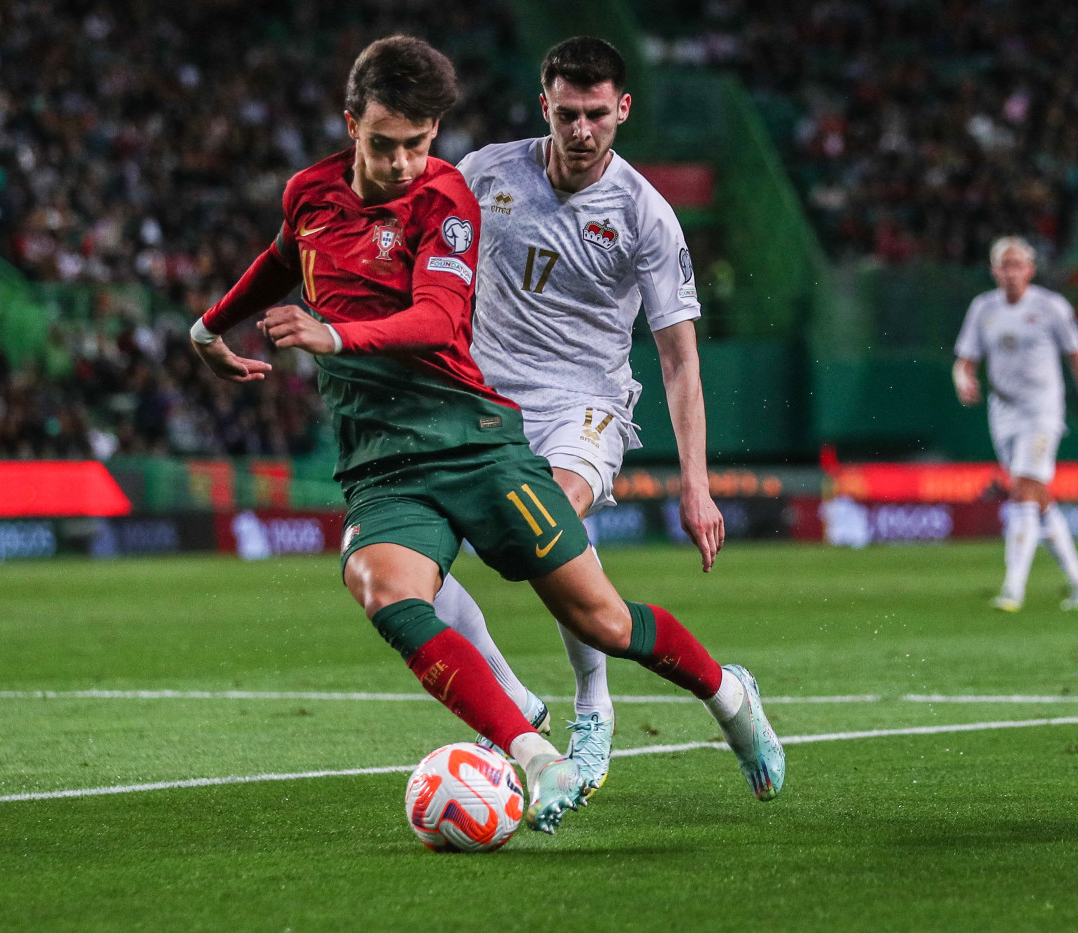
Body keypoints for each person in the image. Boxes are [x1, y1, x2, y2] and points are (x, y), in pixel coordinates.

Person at [190, 35, 783, 833]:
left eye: (419, 145)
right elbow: (281, 254)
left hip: (492, 424)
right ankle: (528, 742)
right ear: (350, 125)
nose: (403, 163)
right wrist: (208, 324)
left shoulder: (459, 195)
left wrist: (333, 337)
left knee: (601, 616)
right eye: (384, 143)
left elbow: (438, 315)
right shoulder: (340, 188)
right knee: (383, 587)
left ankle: (721, 693)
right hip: (391, 446)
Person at [435, 36, 725, 793]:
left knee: (548, 519)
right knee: (412, 560)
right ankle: (513, 697)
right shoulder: (483, 172)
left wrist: (695, 482)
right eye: (568, 114)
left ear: (622, 109)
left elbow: (680, 358)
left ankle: (593, 703)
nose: (582, 130)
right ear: (546, 107)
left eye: (598, 114)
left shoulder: (646, 215)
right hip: (483, 399)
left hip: (583, 404)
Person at [953, 236, 1078, 611]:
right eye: (1004, 266)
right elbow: (965, 360)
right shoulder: (983, 309)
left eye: (1017, 265)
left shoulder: (1051, 307)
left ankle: (1013, 588)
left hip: (1042, 410)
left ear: (1031, 270)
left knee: (1022, 489)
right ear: (994, 271)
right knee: (1036, 497)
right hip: (1002, 410)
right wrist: (963, 381)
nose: (1011, 273)